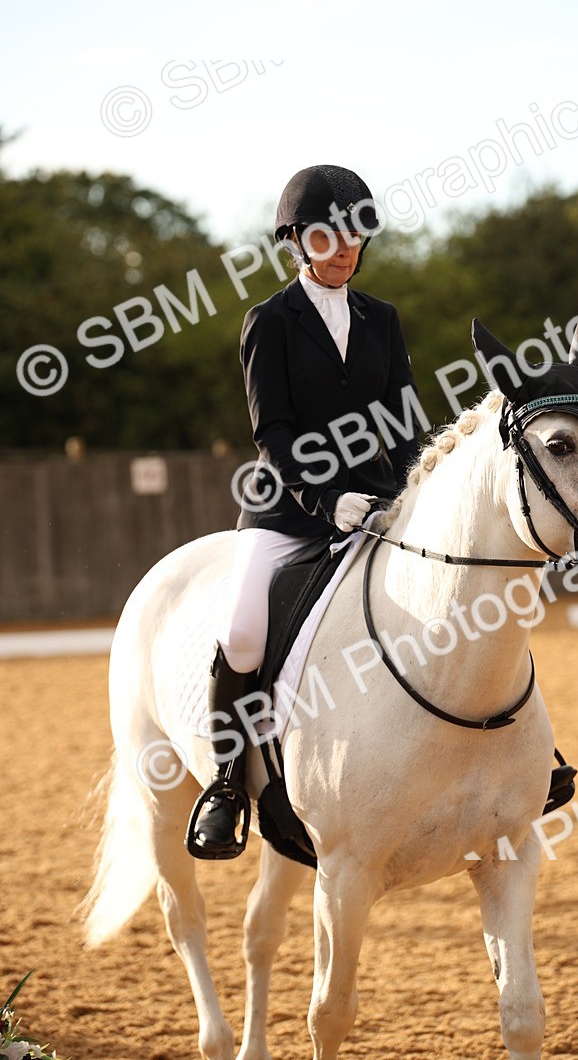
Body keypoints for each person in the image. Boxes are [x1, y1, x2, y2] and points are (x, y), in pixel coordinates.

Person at [189, 164, 421, 858]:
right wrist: (326, 497)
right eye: (327, 233)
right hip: (289, 510)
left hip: (376, 501)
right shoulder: (269, 322)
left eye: (354, 232)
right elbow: (274, 434)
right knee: (243, 630)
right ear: (297, 239)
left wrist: (414, 487)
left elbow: (404, 417)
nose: (343, 246)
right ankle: (228, 784)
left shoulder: (383, 319)